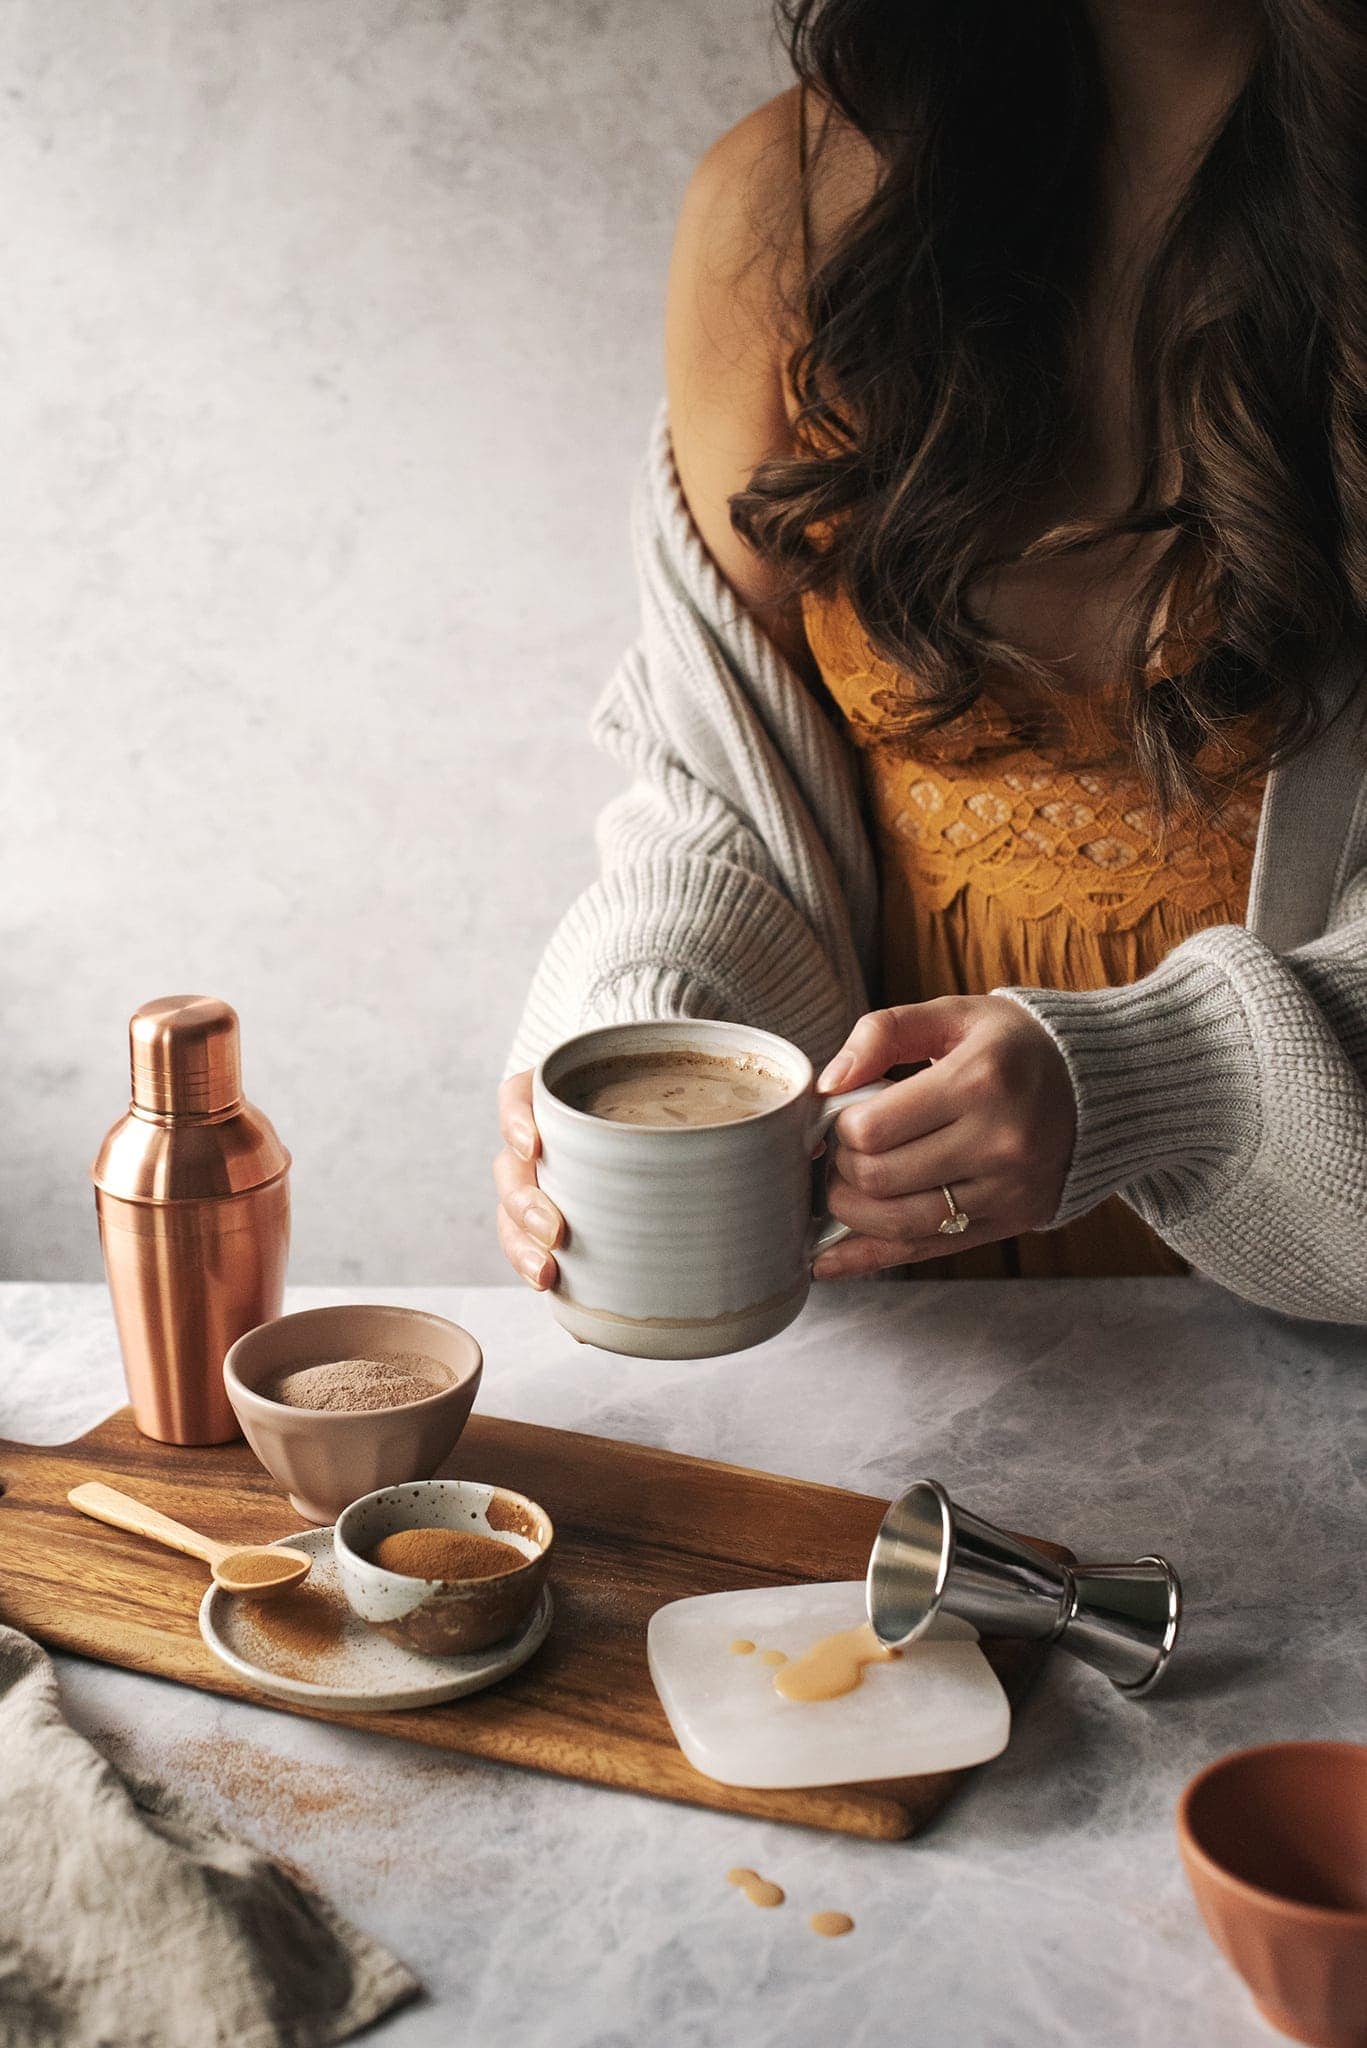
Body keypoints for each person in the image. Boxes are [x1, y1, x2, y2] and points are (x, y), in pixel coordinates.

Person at [494, 0, 1367, 1320]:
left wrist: (1141, 1083)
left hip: (1312, 1312)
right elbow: (723, 783)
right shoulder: (776, 212)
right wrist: (662, 1019)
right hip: (896, 1275)